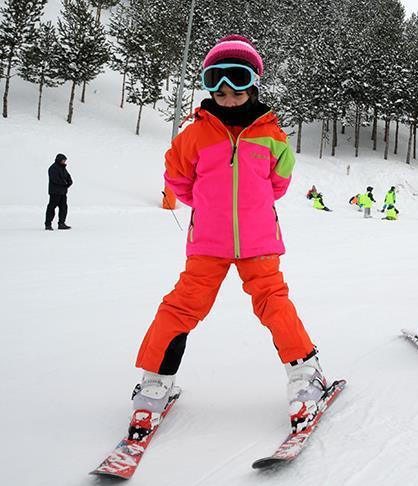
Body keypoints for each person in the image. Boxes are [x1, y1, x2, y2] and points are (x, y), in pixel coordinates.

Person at [131, 35, 328, 434]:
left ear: (253, 81)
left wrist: (249, 211)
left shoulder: (273, 137)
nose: (227, 92)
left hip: (258, 243)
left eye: (237, 79)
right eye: (215, 82)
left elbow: (278, 183)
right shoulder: (193, 136)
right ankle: (154, 385)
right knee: (183, 306)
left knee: (274, 303)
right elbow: (179, 182)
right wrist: (209, 208)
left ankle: (305, 374)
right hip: (208, 243)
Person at [45, 153, 73, 230]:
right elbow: (55, 179)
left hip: (63, 192)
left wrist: (69, 182)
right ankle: (48, 224)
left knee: (63, 208)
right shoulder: (53, 168)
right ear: (59, 160)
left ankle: (61, 223)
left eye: (65, 160)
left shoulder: (63, 168)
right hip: (55, 193)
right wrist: (65, 183)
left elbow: (68, 176)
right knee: (51, 208)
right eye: (63, 160)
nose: (64, 162)